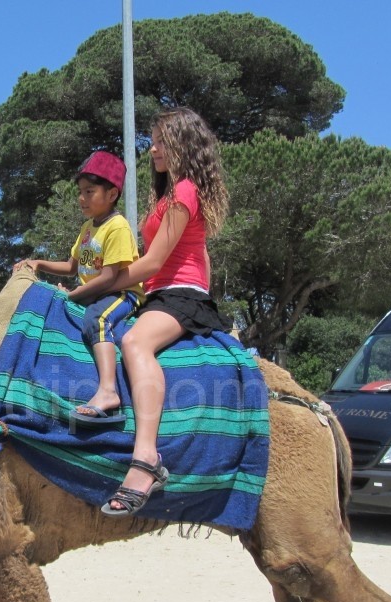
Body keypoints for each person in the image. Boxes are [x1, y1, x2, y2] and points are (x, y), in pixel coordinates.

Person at [100, 107, 232, 517]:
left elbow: (155, 262)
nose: (152, 148)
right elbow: (203, 251)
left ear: (183, 145)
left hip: (178, 293)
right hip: (165, 293)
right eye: (152, 140)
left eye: (160, 140)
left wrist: (104, 283)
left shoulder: (186, 191)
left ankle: (146, 459)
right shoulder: (170, 195)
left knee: (134, 340)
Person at [13, 150, 145, 425]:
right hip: (94, 293)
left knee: (97, 319)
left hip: (120, 294)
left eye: (89, 191)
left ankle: (108, 390)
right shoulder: (87, 227)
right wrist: (38, 263)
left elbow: (109, 277)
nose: (81, 198)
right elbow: (72, 267)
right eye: (80, 192)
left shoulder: (117, 227)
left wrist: (70, 296)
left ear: (112, 194)